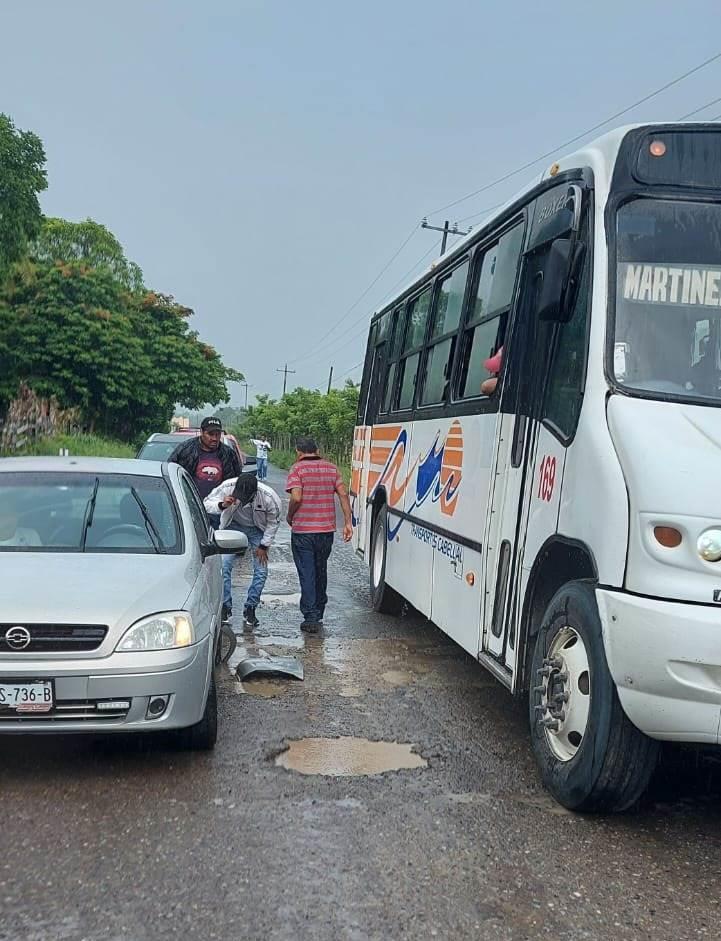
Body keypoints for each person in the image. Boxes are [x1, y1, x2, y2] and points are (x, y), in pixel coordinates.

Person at [286, 436, 353, 633]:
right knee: (320, 569)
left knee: (307, 572)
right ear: (316, 450)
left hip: (303, 531)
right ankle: (319, 610)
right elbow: (343, 494)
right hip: (325, 531)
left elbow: (296, 496)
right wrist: (348, 522)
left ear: (299, 451)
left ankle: (311, 617)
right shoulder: (332, 468)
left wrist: (290, 515)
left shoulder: (297, 469)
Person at [204, 473, 281, 626]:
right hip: (232, 526)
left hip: (257, 529)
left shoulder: (270, 498)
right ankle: (225, 606)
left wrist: (264, 545)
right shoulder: (227, 486)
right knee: (224, 565)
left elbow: (273, 523)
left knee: (261, 569)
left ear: (255, 492)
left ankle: (251, 607)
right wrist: (222, 504)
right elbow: (206, 503)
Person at [168, 416, 241, 504]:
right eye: (210, 434)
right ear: (201, 432)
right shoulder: (185, 450)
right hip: (190, 506)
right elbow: (170, 473)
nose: (214, 438)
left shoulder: (229, 454)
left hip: (219, 508)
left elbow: (236, 481)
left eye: (217, 434)